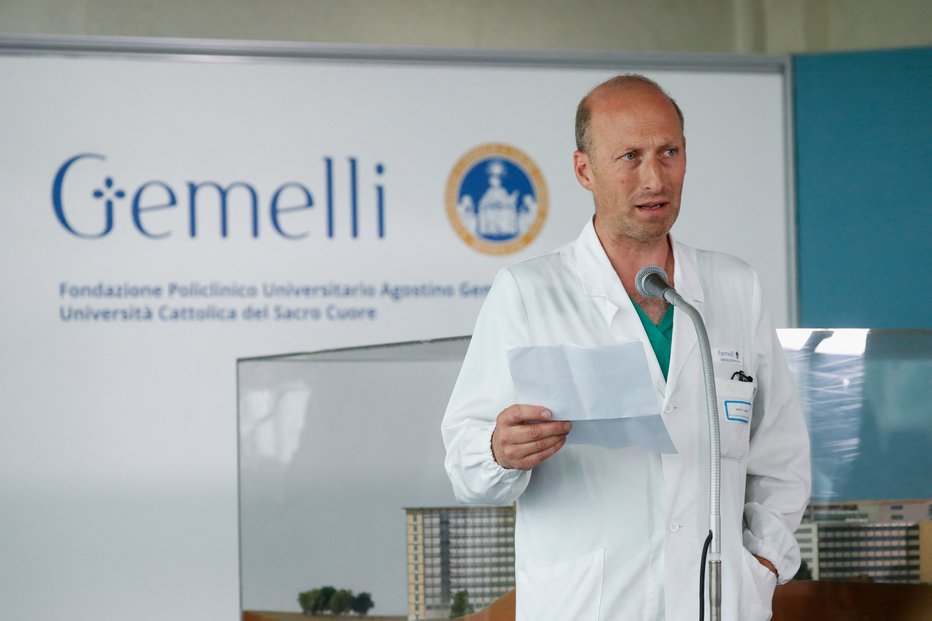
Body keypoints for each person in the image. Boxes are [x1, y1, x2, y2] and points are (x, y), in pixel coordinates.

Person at [441, 74, 811, 621]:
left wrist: (762, 565)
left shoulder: (734, 286)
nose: (654, 178)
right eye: (630, 157)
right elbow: (465, 465)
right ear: (584, 170)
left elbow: (780, 455)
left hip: (716, 603)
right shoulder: (528, 293)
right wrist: (499, 452)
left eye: (669, 152)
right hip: (589, 605)